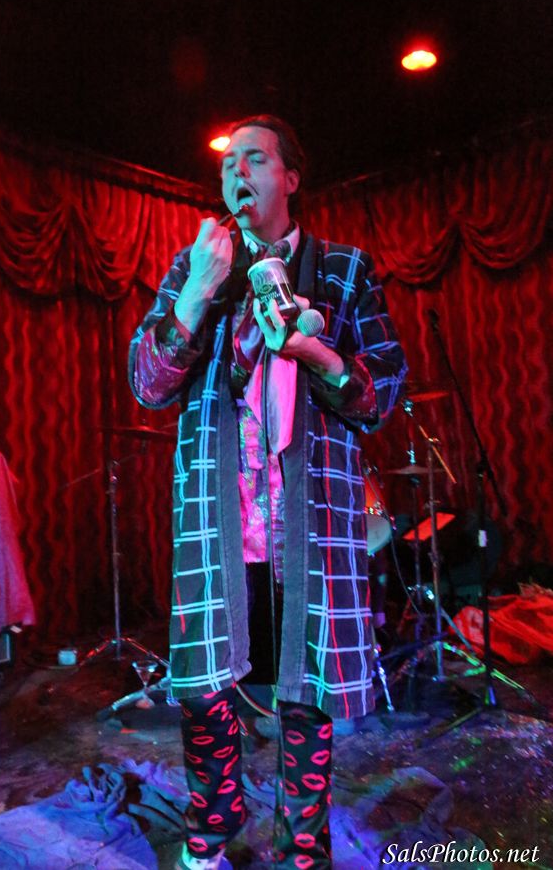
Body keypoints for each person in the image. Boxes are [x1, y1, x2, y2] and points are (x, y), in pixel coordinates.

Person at [128, 115, 407, 870]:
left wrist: (315, 351)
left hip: (308, 514)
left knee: (306, 686)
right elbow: (147, 385)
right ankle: (213, 824)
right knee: (204, 684)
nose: (236, 172)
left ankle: (301, 844)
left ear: (290, 177)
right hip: (221, 514)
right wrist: (197, 293)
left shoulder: (345, 269)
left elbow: (383, 391)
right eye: (227, 165)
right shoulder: (196, 266)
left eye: (254, 158)